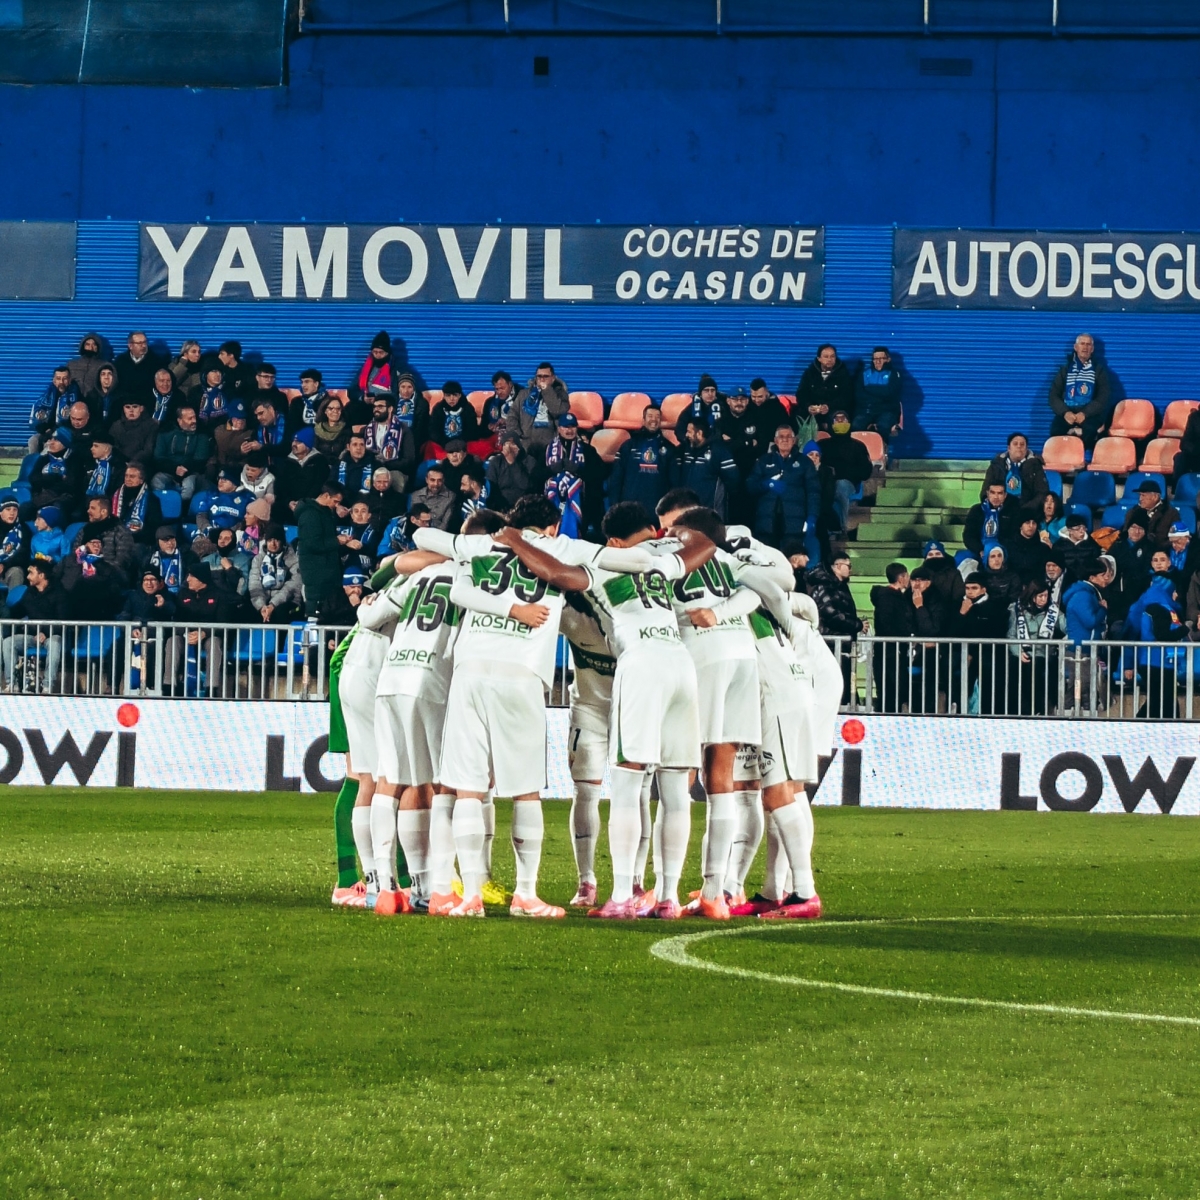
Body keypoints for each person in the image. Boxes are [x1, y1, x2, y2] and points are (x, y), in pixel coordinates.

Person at [746, 424, 821, 557]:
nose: (785, 440)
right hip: (767, 523)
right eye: (781, 437)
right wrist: (766, 484)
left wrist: (812, 517)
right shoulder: (764, 460)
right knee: (768, 562)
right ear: (775, 441)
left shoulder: (805, 462)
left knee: (793, 561)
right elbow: (750, 486)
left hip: (794, 522)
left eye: (788, 437)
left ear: (794, 440)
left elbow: (813, 492)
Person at [163, 563, 232, 697]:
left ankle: (211, 688)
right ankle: (169, 685)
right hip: (186, 634)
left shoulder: (219, 595)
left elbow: (223, 624)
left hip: (209, 635)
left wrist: (204, 632)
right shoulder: (183, 594)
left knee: (214, 644)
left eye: (191, 576)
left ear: (201, 579)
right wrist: (186, 633)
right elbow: (177, 620)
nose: (187, 579)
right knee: (173, 641)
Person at [807, 551, 863, 703]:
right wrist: (857, 625)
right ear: (837, 566)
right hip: (831, 646)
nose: (850, 569)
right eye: (848, 565)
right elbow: (832, 615)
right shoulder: (826, 587)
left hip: (838, 646)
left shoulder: (837, 586)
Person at [3, 562, 67, 693]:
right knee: (8, 642)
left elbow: (63, 621)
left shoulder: (60, 593)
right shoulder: (29, 593)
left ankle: (47, 686)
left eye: (31, 573)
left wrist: (46, 633)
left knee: (54, 642)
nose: (27, 577)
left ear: (42, 575)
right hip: (33, 635)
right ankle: (12, 684)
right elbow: (17, 612)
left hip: (51, 635)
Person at [953, 572, 1008, 714]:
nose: (970, 592)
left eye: (974, 588)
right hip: (962, 652)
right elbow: (953, 633)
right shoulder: (958, 604)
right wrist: (961, 614)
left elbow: (995, 633)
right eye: (967, 588)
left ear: (984, 589)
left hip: (987, 654)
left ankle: (988, 711)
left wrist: (972, 653)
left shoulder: (995, 607)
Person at [1007, 579, 1064, 715]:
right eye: (1040, 596)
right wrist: (1018, 651)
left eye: (1046, 596)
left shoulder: (1053, 611)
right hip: (1020, 653)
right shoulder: (1016, 609)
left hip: (1042, 654)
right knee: (1014, 670)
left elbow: (1067, 627)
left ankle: (1037, 710)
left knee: (1035, 671)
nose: (1044, 599)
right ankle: (1019, 711)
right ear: (1032, 596)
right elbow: (1011, 634)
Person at [1049, 334, 1111, 448]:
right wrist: (1065, 413)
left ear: (1092, 349)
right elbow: (1053, 396)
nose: (1085, 347)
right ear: (1075, 347)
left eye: (1088, 344)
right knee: (1055, 430)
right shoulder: (1065, 369)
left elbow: (1103, 397)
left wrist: (1085, 413)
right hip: (1068, 413)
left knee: (1092, 432)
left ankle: (1078, 459)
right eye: (1082, 344)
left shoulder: (1099, 370)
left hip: (1090, 415)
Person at [609, 404, 673, 512]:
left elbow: (673, 483)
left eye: (657, 417)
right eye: (650, 416)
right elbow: (616, 478)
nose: (654, 419)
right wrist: (615, 505)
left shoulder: (669, 449)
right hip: (630, 509)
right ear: (643, 420)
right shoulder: (629, 446)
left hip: (657, 511)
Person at [295, 484, 345, 618]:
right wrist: (337, 541)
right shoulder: (310, 514)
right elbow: (312, 543)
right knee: (316, 612)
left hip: (326, 571)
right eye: (335, 501)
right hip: (316, 572)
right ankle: (313, 638)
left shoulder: (324, 513)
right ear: (326, 496)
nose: (336, 505)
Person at [671, 420, 738, 519]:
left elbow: (733, 479)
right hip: (688, 510)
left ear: (699, 433)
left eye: (689, 431)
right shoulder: (685, 449)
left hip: (711, 512)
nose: (686, 435)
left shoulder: (719, 451)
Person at [870, 563, 913, 713]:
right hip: (890, 652)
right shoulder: (889, 598)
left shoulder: (892, 597)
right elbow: (886, 624)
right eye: (907, 576)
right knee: (891, 690)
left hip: (893, 650)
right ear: (901, 578)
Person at [819, 411, 872, 532]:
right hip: (825, 483)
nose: (840, 422)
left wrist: (843, 473)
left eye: (843, 419)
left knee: (840, 487)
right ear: (830, 424)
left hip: (848, 484)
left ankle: (841, 528)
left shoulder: (858, 446)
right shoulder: (822, 446)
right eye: (836, 420)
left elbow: (865, 472)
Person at [908, 565, 948, 714]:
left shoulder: (937, 599)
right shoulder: (905, 597)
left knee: (930, 667)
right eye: (914, 580)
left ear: (929, 582)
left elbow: (932, 630)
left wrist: (920, 607)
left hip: (931, 652)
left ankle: (928, 712)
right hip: (908, 649)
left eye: (922, 580)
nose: (917, 584)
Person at [151, 404, 211, 501]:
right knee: (156, 481)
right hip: (169, 470)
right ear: (179, 421)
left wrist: (185, 469)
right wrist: (175, 468)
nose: (194, 421)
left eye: (194, 417)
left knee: (188, 488)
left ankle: (182, 513)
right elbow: (158, 457)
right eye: (189, 419)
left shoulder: (201, 434)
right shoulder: (165, 433)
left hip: (190, 471)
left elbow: (200, 459)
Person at [506, 362, 570, 453]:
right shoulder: (524, 394)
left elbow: (557, 411)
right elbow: (512, 416)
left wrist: (547, 391)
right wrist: (518, 436)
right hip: (527, 443)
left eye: (545, 376)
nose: (542, 379)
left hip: (551, 444)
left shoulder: (561, 394)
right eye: (539, 376)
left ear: (553, 378)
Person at [981, 433, 1051, 515]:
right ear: (1009, 448)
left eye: (1022, 444)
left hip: (1026, 513)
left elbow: (1042, 493)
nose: (1019, 446)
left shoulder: (1035, 466)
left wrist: (1026, 510)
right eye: (1015, 444)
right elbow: (985, 492)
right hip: (1000, 512)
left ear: (1026, 449)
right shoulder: (996, 465)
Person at [249, 526, 304, 624]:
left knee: (280, 613)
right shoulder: (258, 559)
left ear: (282, 541)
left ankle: (280, 640)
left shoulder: (294, 560)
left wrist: (272, 605)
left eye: (277, 540)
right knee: (247, 610)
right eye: (270, 540)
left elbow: (292, 587)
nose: (273, 544)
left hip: (288, 602)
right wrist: (261, 606)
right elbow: (254, 584)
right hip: (264, 602)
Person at [362, 394, 418, 490]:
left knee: (396, 479)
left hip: (394, 469)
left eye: (380, 406)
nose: (376, 409)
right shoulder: (368, 429)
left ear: (390, 409)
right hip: (372, 467)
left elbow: (409, 460)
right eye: (374, 406)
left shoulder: (403, 430)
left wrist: (386, 464)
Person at [797, 345, 854, 435]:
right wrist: (808, 407)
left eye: (832, 356)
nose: (830, 359)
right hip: (813, 411)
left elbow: (847, 396)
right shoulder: (809, 373)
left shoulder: (843, 373)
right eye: (826, 356)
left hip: (833, 409)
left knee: (839, 419)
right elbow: (801, 393)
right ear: (819, 358)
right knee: (797, 417)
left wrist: (828, 406)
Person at [1111, 511, 1153, 628]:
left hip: (1139, 594)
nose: (1136, 531)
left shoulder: (1150, 548)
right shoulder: (1118, 546)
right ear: (1128, 529)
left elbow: (1148, 571)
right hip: (1117, 596)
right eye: (1133, 527)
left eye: (1140, 528)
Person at [853, 347, 903, 442]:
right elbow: (859, 395)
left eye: (881, 358)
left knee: (884, 426)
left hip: (887, 411)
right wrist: (881, 393)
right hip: (867, 410)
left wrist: (868, 388)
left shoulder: (895, 374)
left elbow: (890, 393)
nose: (878, 362)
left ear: (888, 359)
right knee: (856, 425)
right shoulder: (864, 374)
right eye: (875, 359)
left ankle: (882, 450)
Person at [275, 428, 328, 514]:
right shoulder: (286, 462)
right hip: (289, 505)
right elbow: (281, 485)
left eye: (299, 442)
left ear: (308, 446)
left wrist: (304, 502)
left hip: (312, 504)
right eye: (293, 441)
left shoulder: (320, 461)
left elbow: (320, 484)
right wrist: (289, 502)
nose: (294, 444)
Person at [28, 366, 80, 451]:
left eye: (65, 379)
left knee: (48, 445)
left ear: (70, 380)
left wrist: (54, 431)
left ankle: (48, 463)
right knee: (33, 441)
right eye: (58, 378)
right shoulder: (48, 395)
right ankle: (34, 463)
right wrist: (43, 429)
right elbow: (38, 414)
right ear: (54, 380)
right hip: (48, 432)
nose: (61, 382)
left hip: (66, 432)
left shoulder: (76, 396)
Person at [351, 331, 399, 422]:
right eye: (375, 352)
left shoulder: (394, 369)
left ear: (387, 353)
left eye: (381, 352)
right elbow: (352, 390)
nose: (377, 355)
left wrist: (379, 399)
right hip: (367, 405)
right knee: (352, 408)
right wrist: (363, 398)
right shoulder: (366, 368)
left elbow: (397, 393)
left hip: (385, 406)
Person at [964, 482, 1021, 558]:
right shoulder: (976, 510)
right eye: (993, 493)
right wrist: (980, 550)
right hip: (979, 552)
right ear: (988, 493)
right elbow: (969, 535)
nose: (996, 497)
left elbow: (1014, 536)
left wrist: (999, 550)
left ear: (1005, 495)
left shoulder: (1013, 512)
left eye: (1000, 493)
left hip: (1004, 553)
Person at [426, 381, 482, 456]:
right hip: (443, 444)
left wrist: (460, 443)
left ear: (460, 395)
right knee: (429, 447)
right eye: (448, 395)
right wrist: (444, 442)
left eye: (455, 395)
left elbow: (472, 430)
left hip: (464, 444)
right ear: (444, 396)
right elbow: (433, 430)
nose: (451, 399)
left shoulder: (467, 408)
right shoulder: (438, 408)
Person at [1123, 479, 1179, 550]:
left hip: (1159, 552)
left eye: (1143, 495)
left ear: (1155, 497)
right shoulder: (1133, 512)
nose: (1140, 499)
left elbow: (1174, 538)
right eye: (1140, 495)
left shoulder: (1171, 514)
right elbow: (1125, 533)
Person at [673, 374, 729, 442]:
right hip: (697, 445)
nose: (710, 393)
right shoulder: (692, 408)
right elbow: (680, 428)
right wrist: (687, 441)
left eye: (712, 390)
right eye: (706, 390)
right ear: (701, 393)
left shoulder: (724, 407)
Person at [486, 433, 534, 511]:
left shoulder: (529, 461)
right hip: (501, 505)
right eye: (506, 444)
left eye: (512, 444)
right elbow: (491, 487)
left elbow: (526, 486)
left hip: (524, 505)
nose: (509, 448)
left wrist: (513, 462)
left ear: (519, 446)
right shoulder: (496, 462)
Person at [114, 331, 162, 403]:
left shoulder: (155, 362)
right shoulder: (120, 361)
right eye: (139, 343)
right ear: (130, 346)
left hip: (147, 404)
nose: (143, 346)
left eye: (145, 342)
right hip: (125, 403)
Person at [1005, 513, 1051, 582]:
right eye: (1027, 523)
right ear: (1020, 526)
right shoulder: (1008, 547)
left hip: (1037, 588)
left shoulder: (1044, 549)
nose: (1031, 526)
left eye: (1034, 523)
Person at [410, 464, 456, 531]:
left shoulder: (451, 497)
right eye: (432, 480)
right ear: (426, 480)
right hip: (418, 532)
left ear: (443, 481)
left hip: (438, 534)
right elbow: (416, 521)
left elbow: (445, 525)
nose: (436, 484)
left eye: (439, 480)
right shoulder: (416, 495)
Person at [332, 433, 376, 500]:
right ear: (348, 447)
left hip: (367, 504)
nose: (359, 448)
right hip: (342, 504)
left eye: (362, 445)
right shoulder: (338, 465)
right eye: (355, 444)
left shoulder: (375, 465)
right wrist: (338, 506)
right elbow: (331, 487)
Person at [0, 493, 30, 588]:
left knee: (16, 572)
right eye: (8, 510)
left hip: (9, 569)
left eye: (15, 510)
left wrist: (4, 565)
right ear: (0, 512)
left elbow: (22, 556)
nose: (12, 513)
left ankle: (14, 602)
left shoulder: (24, 530)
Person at [981, 542, 1022, 609]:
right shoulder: (980, 577)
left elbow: (1014, 599)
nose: (997, 560)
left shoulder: (1013, 577)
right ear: (987, 559)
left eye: (999, 556)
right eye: (993, 556)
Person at [288, 368, 327, 436]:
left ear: (316, 384)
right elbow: (291, 426)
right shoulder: (297, 402)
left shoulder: (327, 401)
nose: (303, 385)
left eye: (307, 382)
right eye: (302, 382)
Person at [68, 332, 106, 399]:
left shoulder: (104, 366)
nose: (90, 347)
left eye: (94, 344)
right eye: (87, 344)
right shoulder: (72, 365)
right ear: (83, 346)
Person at [313, 395, 350, 461]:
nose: (335, 411)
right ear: (325, 411)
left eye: (338, 408)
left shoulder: (347, 431)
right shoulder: (316, 430)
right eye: (331, 408)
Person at [168, 339, 204, 405]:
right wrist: (182, 364)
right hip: (179, 401)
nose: (197, 354)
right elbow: (172, 381)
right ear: (185, 354)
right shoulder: (175, 364)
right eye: (194, 352)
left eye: (199, 352)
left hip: (197, 403)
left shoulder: (202, 367)